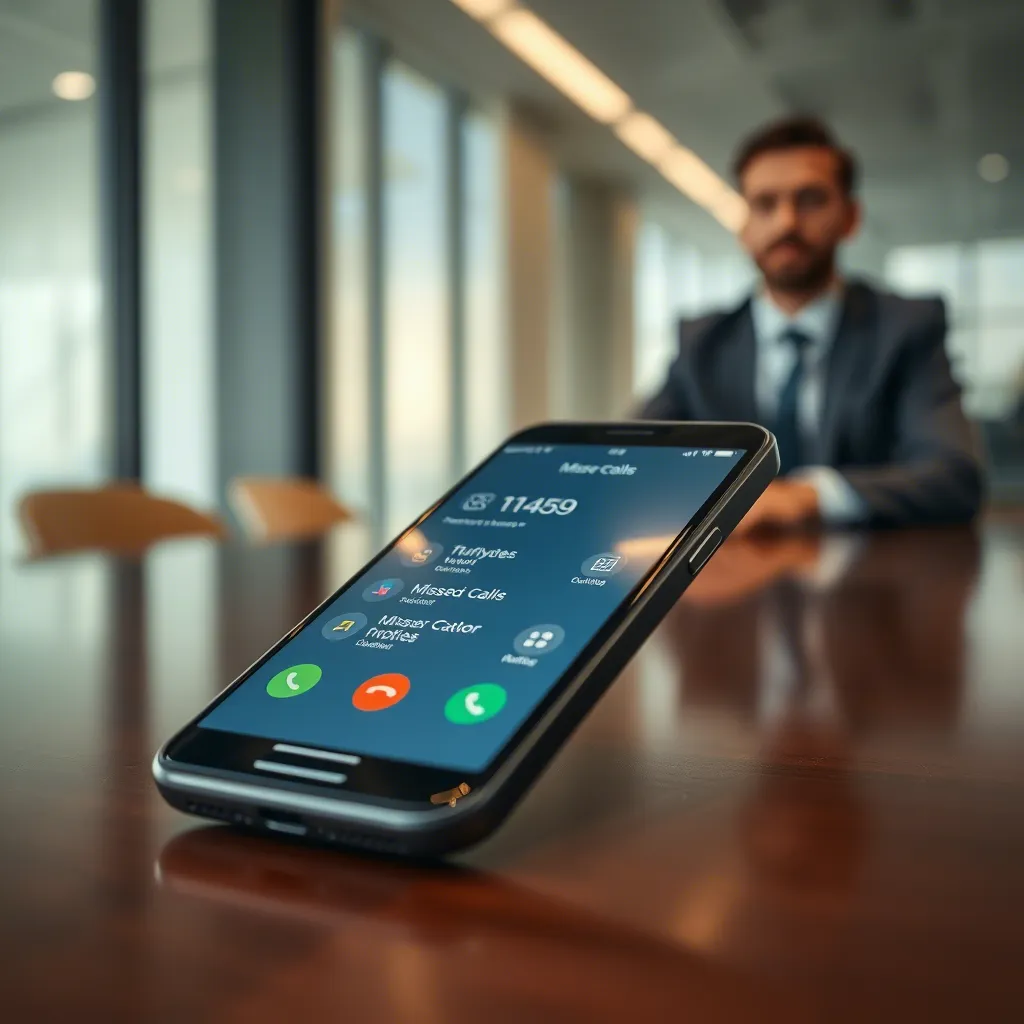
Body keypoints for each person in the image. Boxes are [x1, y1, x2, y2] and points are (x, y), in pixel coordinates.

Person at [640, 117, 984, 528]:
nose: (786, 222)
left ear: (851, 217)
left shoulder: (905, 329)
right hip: (730, 575)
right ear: (744, 227)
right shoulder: (703, 342)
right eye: (765, 204)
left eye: (810, 200)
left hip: (873, 580)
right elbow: (633, 462)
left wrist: (804, 498)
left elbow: (954, 475)